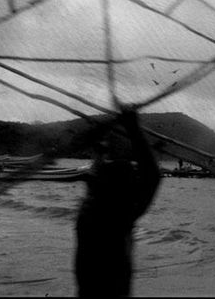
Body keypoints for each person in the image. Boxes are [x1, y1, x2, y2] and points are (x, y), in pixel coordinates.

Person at [75, 107, 162, 297]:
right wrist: (133, 128)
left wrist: (100, 141)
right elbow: (152, 175)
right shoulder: (120, 217)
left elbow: (97, 171)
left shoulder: (88, 212)